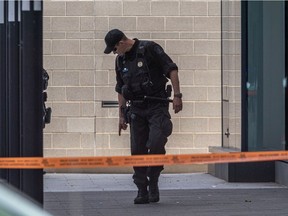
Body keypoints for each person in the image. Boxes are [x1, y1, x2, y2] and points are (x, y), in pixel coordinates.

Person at [104, 29, 183, 204]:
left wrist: (177, 96)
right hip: (137, 110)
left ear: (122, 43)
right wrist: (121, 116)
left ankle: (153, 181)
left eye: (114, 49)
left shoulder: (149, 49)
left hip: (157, 106)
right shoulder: (120, 61)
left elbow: (172, 69)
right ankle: (142, 189)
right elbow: (121, 89)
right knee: (137, 151)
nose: (114, 53)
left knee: (155, 143)